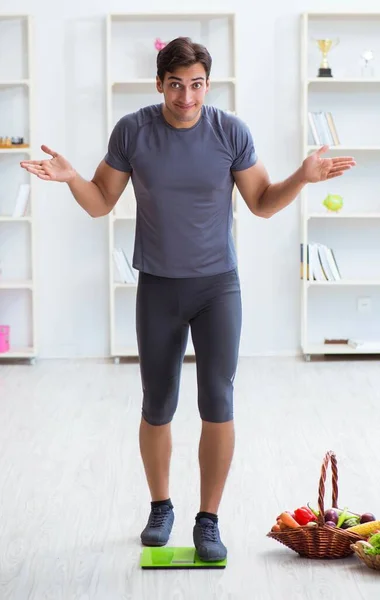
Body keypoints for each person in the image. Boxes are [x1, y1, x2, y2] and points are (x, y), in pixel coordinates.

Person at [20, 37, 355, 562]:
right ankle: (160, 508)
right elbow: (100, 203)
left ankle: (208, 520)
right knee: (157, 405)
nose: (186, 96)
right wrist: (70, 179)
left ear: (207, 85)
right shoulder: (134, 130)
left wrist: (303, 177)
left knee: (217, 401)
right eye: (175, 84)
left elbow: (263, 203)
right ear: (159, 84)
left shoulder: (230, 132)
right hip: (157, 286)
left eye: (196, 84)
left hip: (217, 287)